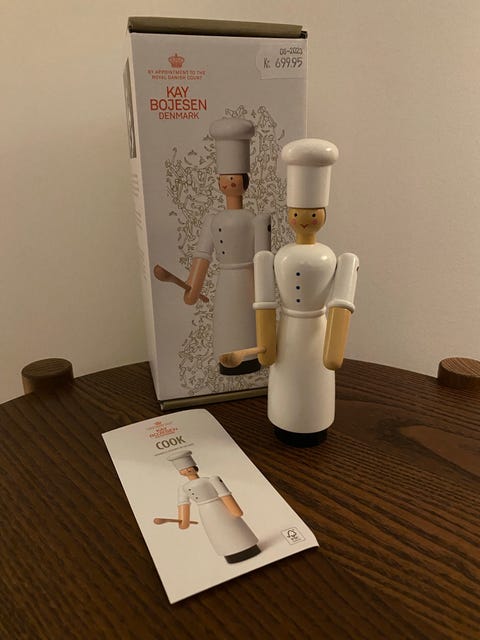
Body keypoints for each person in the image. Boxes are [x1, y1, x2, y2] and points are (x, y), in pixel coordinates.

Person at [253, 138, 359, 446]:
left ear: (323, 213)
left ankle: (315, 423)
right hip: (288, 332)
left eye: (313, 214)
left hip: (317, 333)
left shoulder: (332, 257)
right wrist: (266, 343)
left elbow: (341, 303)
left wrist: (334, 349)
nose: (304, 220)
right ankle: (283, 420)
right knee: (286, 381)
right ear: (289, 213)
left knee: (315, 383)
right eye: (298, 213)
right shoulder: (277, 257)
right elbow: (264, 303)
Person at [184, 117, 271, 375]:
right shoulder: (213, 219)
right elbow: (202, 255)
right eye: (224, 178)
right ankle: (226, 360)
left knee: (246, 320)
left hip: (248, 281)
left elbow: (263, 260)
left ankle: (251, 358)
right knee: (226, 319)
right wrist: (193, 287)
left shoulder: (255, 219)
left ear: (245, 181)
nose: (229, 183)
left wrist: (264, 298)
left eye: (234, 178)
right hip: (225, 282)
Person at [167, 450, 260, 563]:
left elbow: (224, 494)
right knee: (216, 533)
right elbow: (183, 504)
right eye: (182, 469)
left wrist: (235, 510)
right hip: (205, 513)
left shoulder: (211, 479)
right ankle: (229, 553)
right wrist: (184, 521)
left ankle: (248, 547)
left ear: (194, 467)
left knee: (234, 527)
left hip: (220, 507)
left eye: (188, 467)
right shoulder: (182, 488)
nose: (186, 470)